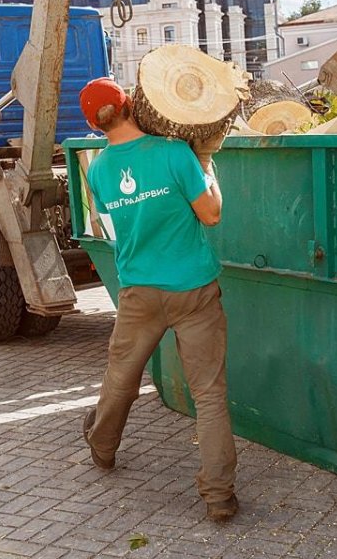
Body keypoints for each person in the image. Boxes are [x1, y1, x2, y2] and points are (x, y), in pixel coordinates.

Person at [78, 77, 238, 522]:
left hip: (139, 294)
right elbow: (211, 215)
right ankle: (219, 495)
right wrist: (208, 168)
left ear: (95, 124)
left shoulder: (99, 170)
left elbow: (109, 223)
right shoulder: (174, 153)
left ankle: (103, 448)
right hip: (193, 290)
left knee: (122, 377)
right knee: (208, 394)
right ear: (131, 106)